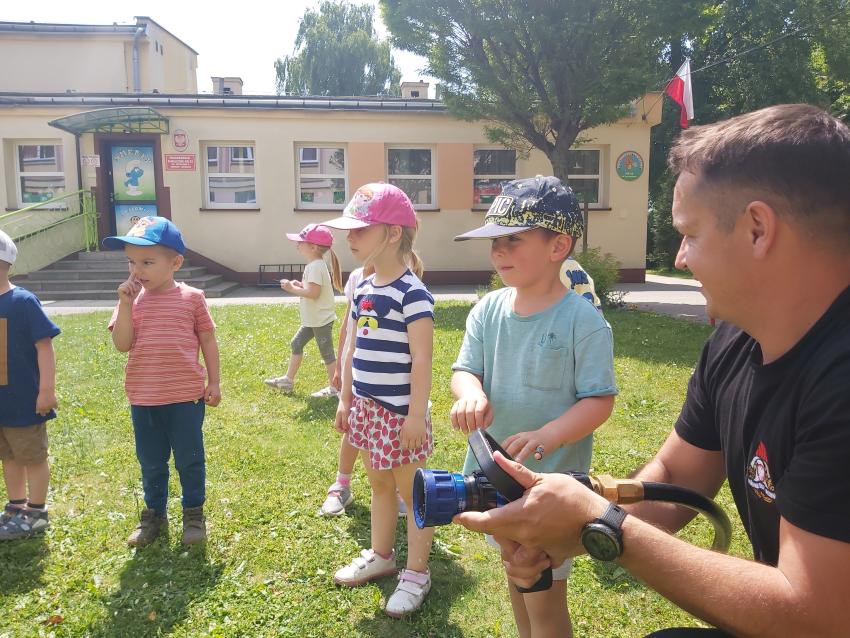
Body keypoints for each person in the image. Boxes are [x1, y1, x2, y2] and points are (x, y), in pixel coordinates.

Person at [454, 104, 850, 637]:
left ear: (758, 229)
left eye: (689, 234)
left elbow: (818, 617)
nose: (680, 259)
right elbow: (675, 478)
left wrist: (603, 525)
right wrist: (564, 530)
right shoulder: (734, 343)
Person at [450, 176, 617, 638]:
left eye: (513, 240)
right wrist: (470, 393)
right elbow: (465, 370)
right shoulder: (487, 310)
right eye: (494, 242)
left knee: (544, 596)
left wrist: (549, 435)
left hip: (550, 488)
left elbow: (599, 401)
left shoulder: (583, 321)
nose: (498, 251)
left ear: (558, 246)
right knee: (517, 575)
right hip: (493, 477)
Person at [324, 183, 436, 617]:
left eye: (360, 230)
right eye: (349, 230)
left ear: (392, 234)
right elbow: (352, 348)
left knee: (414, 492)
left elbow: (422, 359)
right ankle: (382, 555)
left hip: (400, 415)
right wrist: (346, 400)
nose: (349, 238)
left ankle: (417, 573)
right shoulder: (364, 287)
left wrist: (414, 416)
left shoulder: (413, 293)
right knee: (379, 484)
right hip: (368, 409)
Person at [106, 216, 221, 547]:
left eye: (147, 262)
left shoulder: (192, 298)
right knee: (151, 462)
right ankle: (154, 514)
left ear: (176, 263)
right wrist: (125, 304)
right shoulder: (130, 301)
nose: (137, 270)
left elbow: (208, 339)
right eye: (131, 262)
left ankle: (193, 514)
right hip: (144, 398)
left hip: (185, 397)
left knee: (189, 459)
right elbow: (122, 344)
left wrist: (214, 382)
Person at [319, 264, 407, 519]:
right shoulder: (358, 277)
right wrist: (340, 367)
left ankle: (396, 491)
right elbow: (348, 325)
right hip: (358, 373)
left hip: (390, 381)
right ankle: (341, 485)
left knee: (392, 434)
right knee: (352, 428)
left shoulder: (404, 273)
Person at [0, 229, 60, 540]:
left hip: (24, 399)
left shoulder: (22, 301)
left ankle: (36, 513)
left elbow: (44, 345)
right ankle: (16, 506)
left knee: (32, 456)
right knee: (8, 455)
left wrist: (46, 390)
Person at [264, 224, 342, 397]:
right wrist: (299, 285)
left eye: (301, 242)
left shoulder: (315, 267)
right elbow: (312, 288)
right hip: (313, 319)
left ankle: (335, 388)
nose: (297, 245)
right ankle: (288, 380)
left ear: (313, 247)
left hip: (320, 320)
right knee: (296, 343)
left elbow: (313, 293)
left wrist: (292, 289)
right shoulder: (315, 265)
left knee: (327, 353)